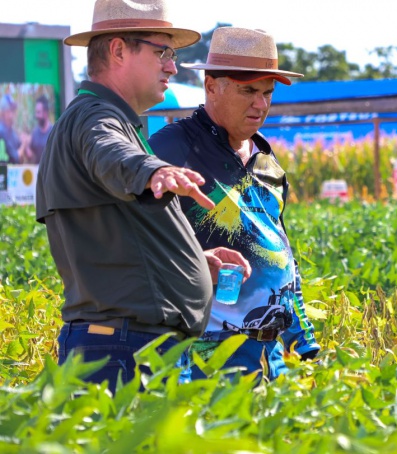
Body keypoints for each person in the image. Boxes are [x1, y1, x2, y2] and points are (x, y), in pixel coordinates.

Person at [35, 0, 248, 393]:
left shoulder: (108, 119)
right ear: (118, 50)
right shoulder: (96, 118)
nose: (172, 66)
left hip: (127, 344)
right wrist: (154, 169)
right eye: (162, 52)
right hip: (123, 351)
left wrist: (193, 262)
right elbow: (112, 153)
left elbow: (116, 240)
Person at [149, 26, 320, 382]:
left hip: (272, 355)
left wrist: (304, 344)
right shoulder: (171, 149)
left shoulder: (267, 163)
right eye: (248, 91)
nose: (260, 105)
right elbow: (139, 245)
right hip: (205, 354)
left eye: (267, 93)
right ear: (211, 85)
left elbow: (283, 257)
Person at [24, 94, 53, 164]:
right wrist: (25, 146)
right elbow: (30, 157)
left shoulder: (54, 133)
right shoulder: (35, 133)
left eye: (38, 112)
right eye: (36, 112)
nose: (36, 115)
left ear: (46, 113)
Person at [0, 93, 28, 164]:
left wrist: (24, 141)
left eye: (13, 110)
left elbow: (21, 158)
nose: (12, 114)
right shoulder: (1, 131)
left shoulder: (12, 132)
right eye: (9, 110)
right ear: (3, 113)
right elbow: (15, 157)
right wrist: (24, 144)